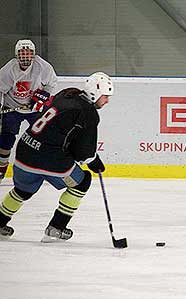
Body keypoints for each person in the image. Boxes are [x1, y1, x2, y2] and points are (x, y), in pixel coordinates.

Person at [0, 72, 113, 241]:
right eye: (105, 96)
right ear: (95, 93)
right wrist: (94, 162)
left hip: (25, 151)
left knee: (23, 190)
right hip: (50, 159)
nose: (107, 101)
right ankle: (56, 227)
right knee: (82, 183)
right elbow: (84, 153)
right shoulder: (88, 113)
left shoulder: (67, 94)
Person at [0, 39, 58, 183]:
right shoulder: (9, 70)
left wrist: (41, 97)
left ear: (33, 54)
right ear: (16, 54)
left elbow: (51, 85)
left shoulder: (42, 67)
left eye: (28, 52)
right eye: (22, 52)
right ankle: (1, 167)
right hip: (12, 107)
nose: (25, 56)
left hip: (35, 109)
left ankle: (45, 168)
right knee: (6, 140)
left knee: (43, 137)